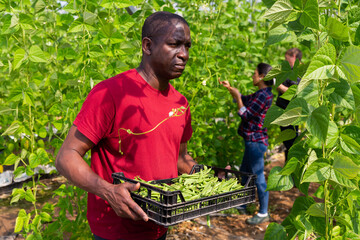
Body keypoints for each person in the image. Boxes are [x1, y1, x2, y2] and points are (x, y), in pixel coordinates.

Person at [55, 11, 196, 240]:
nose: (184, 54)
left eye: (187, 46)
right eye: (174, 44)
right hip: (116, 231)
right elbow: (66, 156)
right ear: (147, 46)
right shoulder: (111, 93)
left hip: (159, 227)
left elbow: (180, 159)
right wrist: (108, 191)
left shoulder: (180, 103)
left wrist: (214, 178)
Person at [219, 63, 274, 225]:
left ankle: (263, 213)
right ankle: (242, 204)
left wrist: (237, 97)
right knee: (245, 173)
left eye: (255, 74)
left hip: (256, 142)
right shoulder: (262, 93)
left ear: (262, 77)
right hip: (252, 141)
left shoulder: (264, 96)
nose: (252, 76)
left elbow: (246, 114)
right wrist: (232, 89)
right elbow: (245, 99)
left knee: (258, 178)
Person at [275, 48, 302, 162]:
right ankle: (289, 165)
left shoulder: (298, 71)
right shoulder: (290, 70)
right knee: (288, 142)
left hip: (290, 113)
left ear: (294, 58)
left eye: (287, 59)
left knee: (291, 141)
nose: (285, 61)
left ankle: (292, 167)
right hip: (285, 112)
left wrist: (278, 85)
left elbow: (294, 93)